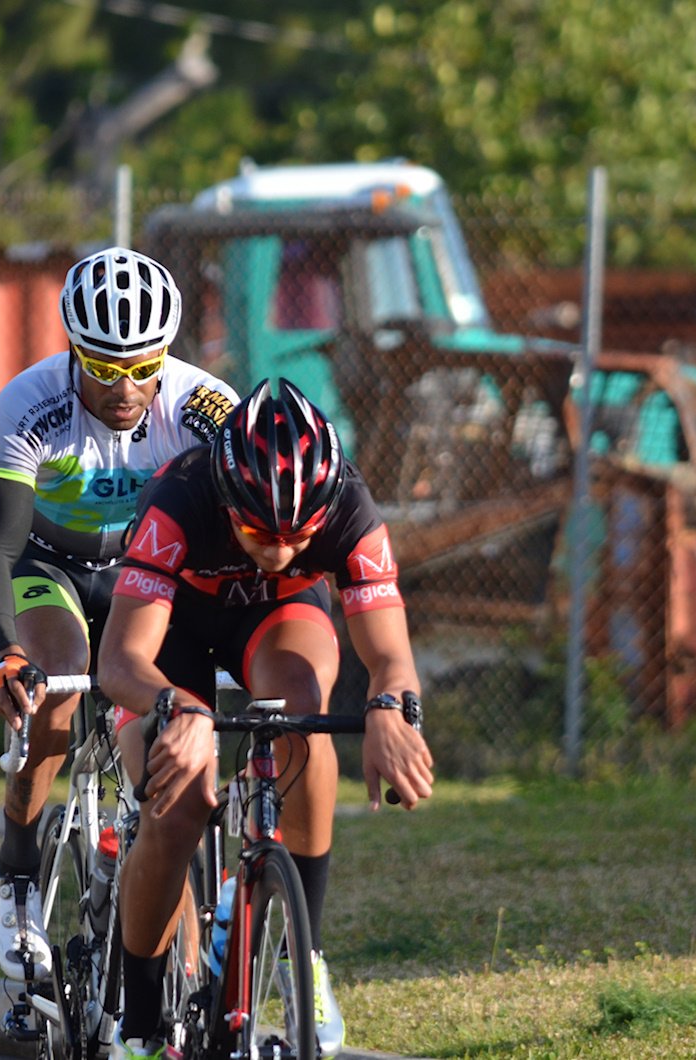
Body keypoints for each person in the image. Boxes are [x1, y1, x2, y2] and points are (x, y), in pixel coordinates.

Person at [97, 377, 436, 1060]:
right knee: (178, 803)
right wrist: (178, 707)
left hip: (276, 617)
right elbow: (121, 660)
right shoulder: (181, 498)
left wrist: (391, 711)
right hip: (175, 627)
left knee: (303, 720)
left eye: (298, 535)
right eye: (258, 531)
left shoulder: (350, 506)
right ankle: (138, 1022)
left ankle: (300, 956)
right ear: (228, 499)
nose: (279, 550)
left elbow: (391, 656)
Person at [0, 246, 238, 982]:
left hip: (143, 576)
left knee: (158, 747)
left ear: (168, 353)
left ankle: (168, 969)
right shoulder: (30, 402)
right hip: (46, 565)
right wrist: (3, 654)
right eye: (103, 366)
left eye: (143, 365)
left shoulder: (203, 404)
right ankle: (18, 874)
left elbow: (242, 528)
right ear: (72, 349)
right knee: (55, 684)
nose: (125, 386)